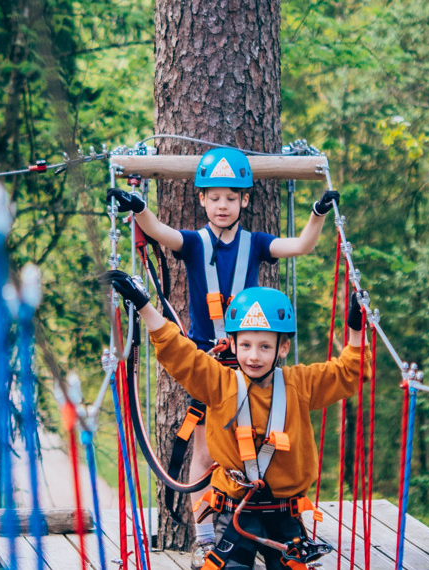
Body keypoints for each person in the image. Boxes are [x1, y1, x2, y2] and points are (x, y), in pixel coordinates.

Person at [107, 147, 340, 562]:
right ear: (201, 199)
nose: (222, 205)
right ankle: (205, 536)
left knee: (261, 441)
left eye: (231, 198)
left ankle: (269, 517)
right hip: (209, 361)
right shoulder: (195, 243)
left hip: (252, 357)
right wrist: (140, 207)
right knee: (206, 451)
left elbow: (303, 245)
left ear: (245, 201)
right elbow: (160, 232)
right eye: (214, 197)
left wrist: (318, 213)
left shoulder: (257, 243)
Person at [103, 270, 371, 570]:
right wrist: (143, 305)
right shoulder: (220, 384)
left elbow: (349, 374)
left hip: (285, 517)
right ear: (232, 344)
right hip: (235, 514)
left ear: (283, 348)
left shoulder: (301, 385)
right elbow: (180, 354)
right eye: (245, 345)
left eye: (265, 346)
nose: (253, 356)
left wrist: (356, 329)